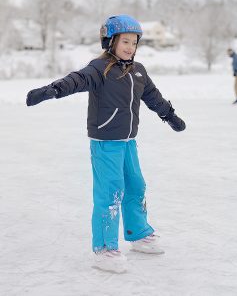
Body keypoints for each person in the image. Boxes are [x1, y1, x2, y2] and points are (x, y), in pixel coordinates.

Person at [26, 15, 186, 273]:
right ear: (110, 41)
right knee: (110, 192)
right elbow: (75, 80)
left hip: (128, 142)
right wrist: (51, 90)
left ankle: (138, 233)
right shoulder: (100, 68)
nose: (130, 47)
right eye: (125, 41)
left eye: (134, 42)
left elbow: (153, 97)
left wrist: (169, 115)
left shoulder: (138, 70)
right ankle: (104, 249)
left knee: (135, 186)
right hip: (105, 143)